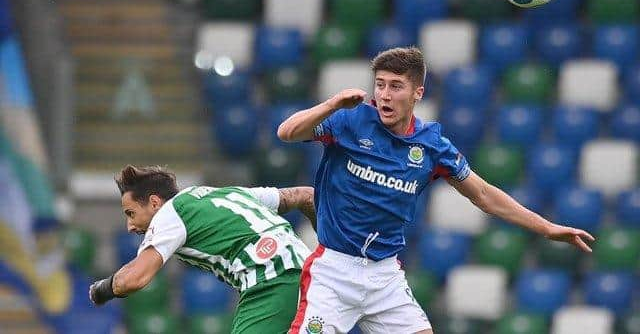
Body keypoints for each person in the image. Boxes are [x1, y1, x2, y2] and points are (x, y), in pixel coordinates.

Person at [278, 47, 595, 334]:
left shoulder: (432, 146)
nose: (385, 95)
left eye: (396, 86)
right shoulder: (349, 121)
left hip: (384, 276)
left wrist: (547, 227)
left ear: (418, 93)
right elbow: (287, 132)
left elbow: (483, 195)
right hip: (333, 272)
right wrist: (332, 104)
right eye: (380, 84)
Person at [89, 165, 314, 333]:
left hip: (270, 279)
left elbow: (134, 279)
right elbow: (305, 196)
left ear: (155, 202)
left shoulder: (169, 214)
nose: (129, 226)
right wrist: (329, 247)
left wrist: (102, 289)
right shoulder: (223, 194)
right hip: (311, 271)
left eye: (131, 213)